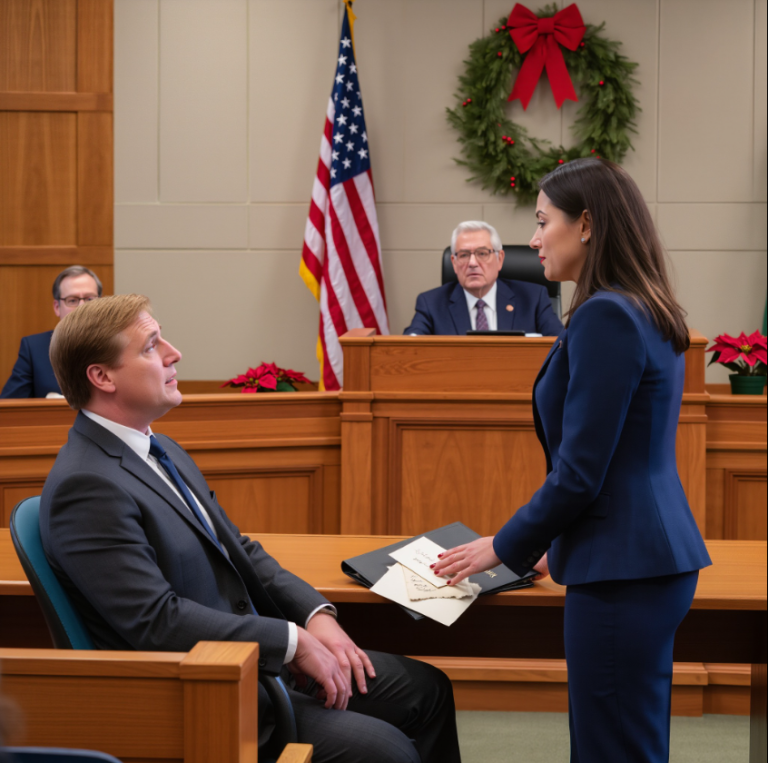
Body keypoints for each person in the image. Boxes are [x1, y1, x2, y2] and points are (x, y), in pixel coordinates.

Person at [40, 294, 461, 763]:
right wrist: (291, 642)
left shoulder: (160, 447)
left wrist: (316, 616)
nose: (173, 354)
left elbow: (237, 549)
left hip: (255, 662)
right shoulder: (87, 485)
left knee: (428, 689)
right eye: (150, 346)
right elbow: (156, 623)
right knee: (388, 752)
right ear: (102, 377)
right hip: (206, 692)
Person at [433, 159, 712, 762]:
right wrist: (544, 545)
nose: (532, 241)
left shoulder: (606, 315)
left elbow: (583, 472)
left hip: (622, 569)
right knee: (625, 742)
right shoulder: (639, 305)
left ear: (586, 224)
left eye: (541, 222)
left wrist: (502, 546)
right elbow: (613, 461)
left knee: (610, 749)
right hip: (638, 558)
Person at [403, 221, 563, 336]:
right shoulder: (431, 303)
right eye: (464, 255)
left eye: (482, 253)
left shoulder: (533, 298)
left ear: (499, 259)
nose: (472, 263)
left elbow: (560, 345)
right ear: (454, 263)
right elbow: (409, 348)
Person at [1, 265, 102, 399]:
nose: (82, 307)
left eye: (90, 299)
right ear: (57, 307)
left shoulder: (119, 344)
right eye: (72, 300)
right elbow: (9, 408)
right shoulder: (34, 348)